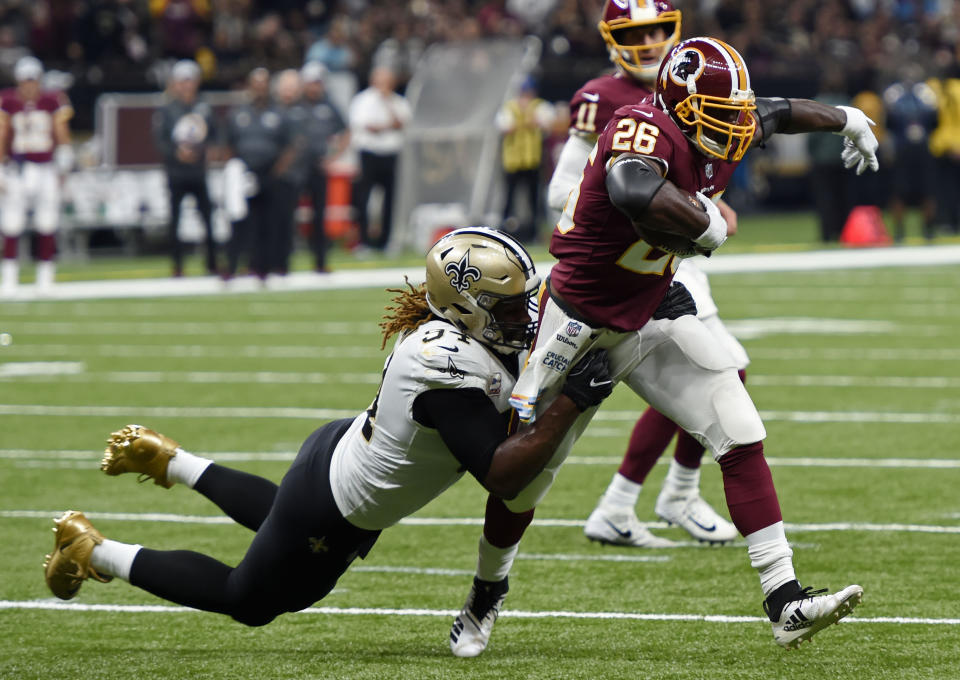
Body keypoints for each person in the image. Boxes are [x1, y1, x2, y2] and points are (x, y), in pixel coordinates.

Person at [449, 37, 878, 658]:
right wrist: (702, 221)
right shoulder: (643, 127)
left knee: (739, 427)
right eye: (721, 117)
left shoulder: (718, 120)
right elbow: (630, 187)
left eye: (736, 115)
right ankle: (484, 596)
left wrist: (849, 118)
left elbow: (778, 113)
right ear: (682, 108)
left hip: (653, 308)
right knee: (523, 482)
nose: (736, 129)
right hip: (577, 324)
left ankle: (783, 600)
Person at [41, 227, 615, 633]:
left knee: (280, 519)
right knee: (250, 600)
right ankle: (94, 550)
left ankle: (171, 461)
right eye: (508, 308)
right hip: (337, 503)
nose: (524, 317)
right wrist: (573, 399)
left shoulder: (463, 336)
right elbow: (501, 476)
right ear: (465, 307)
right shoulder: (448, 369)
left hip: (336, 462)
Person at [545, 0, 739, 550]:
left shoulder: (692, 85)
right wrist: (664, 205)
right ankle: (651, 497)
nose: (651, 41)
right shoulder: (602, 98)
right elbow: (564, 189)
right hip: (625, 262)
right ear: (612, 39)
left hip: (670, 257)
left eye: (659, 30)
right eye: (638, 32)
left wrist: (701, 206)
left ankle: (638, 500)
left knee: (724, 374)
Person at [0, 56, 73, 298]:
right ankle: (9, 278)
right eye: (25, 80)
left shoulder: (52, 100)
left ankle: (45, 277)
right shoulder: (7, 101)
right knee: (11, 222)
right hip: (18, 169)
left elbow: (61, 131)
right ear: (18, 81)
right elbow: (2, 133)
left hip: (46, 167)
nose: (30, 86)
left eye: (33, 80)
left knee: (47, 221)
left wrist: (64, 161)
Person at [223, 68, 296, 281]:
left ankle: (267, 266)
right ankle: (237, 264)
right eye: (256, 84)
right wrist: (235, 167)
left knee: (270, 221)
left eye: (263, 84)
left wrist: (278, 170)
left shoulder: (279, 113)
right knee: (240, 221)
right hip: (244, 172)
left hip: (271, 171)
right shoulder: (239, 113)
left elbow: (291, 144)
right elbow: (228, 142)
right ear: (250, 87)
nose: (260, 88)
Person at [152, 59, 219, 277]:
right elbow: (159, 139)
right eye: (183, 81)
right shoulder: (167, 109)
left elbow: (217, 133)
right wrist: (176, 152)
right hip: (176, 171)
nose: (187, 85)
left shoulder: (204, 107)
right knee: (175, 220)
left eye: (190, 81)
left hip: (199, 170)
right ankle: (178, 265)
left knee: (207, 218)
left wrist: (210, 150)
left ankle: (212, 263)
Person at [348, 66, 411, 251]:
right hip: (369, 153)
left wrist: (388, 105)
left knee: (390, 198)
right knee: (364, 197)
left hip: (391, 153)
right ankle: (364, 241)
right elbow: (368, 127)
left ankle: (385, 241)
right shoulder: (363, 100)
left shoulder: (398, 101)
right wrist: (388, 126)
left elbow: (401, 122)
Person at [297, 61, 350, 272]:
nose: (314, 87)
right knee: (287, 212)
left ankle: (320, 261)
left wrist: (333, 157)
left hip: (319, 166)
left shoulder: (328, 106)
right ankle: (283, 259)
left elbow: (346, 132)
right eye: (311, 83)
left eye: (317, 83)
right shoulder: (296, 106)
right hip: (296, 167)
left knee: (320, 215)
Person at [496, 77, 554, 243]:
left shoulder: (540, 107)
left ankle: (534, 233)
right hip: (513, 161)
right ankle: (504, 231)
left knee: (534, 199)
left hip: (532, 160)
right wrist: (526, 122)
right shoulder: (509, 108)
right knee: (509, 199)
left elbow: (548, 124)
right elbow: (504, 127)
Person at [883, 68, 938, 242]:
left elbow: (889, 124)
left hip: (905, 149)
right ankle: (926, 230)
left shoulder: (894, 94)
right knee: (921, 191)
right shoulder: (926, 94)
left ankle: (902, 232)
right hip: (917, 148)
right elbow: (934, 121)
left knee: (906, 192)